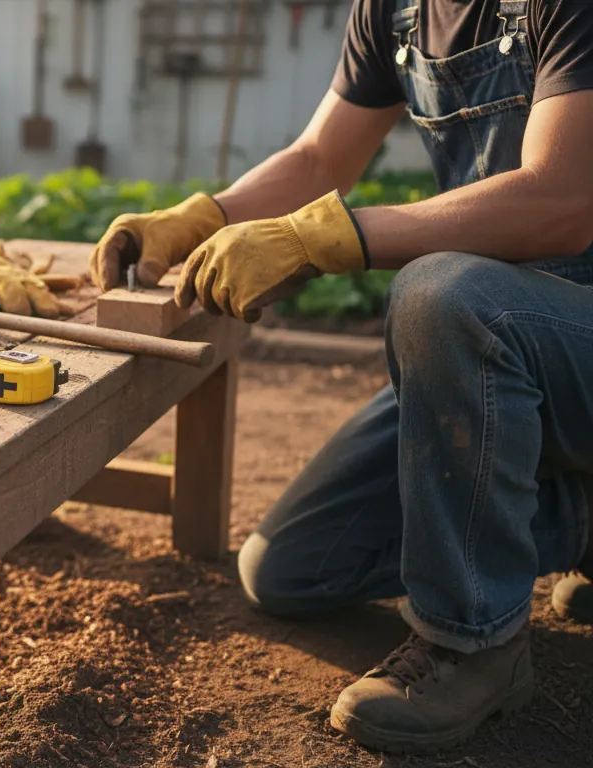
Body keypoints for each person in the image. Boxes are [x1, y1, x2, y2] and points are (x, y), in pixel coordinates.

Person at [89, 0, 593, 754]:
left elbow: (562, 202)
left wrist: (322, 237)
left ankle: (474, 642)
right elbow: (321, 160)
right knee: (290, 570)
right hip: (503, 357)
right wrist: (202, 217)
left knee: (443, 295)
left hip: (567, 332)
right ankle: (581, 523)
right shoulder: (394, 11)